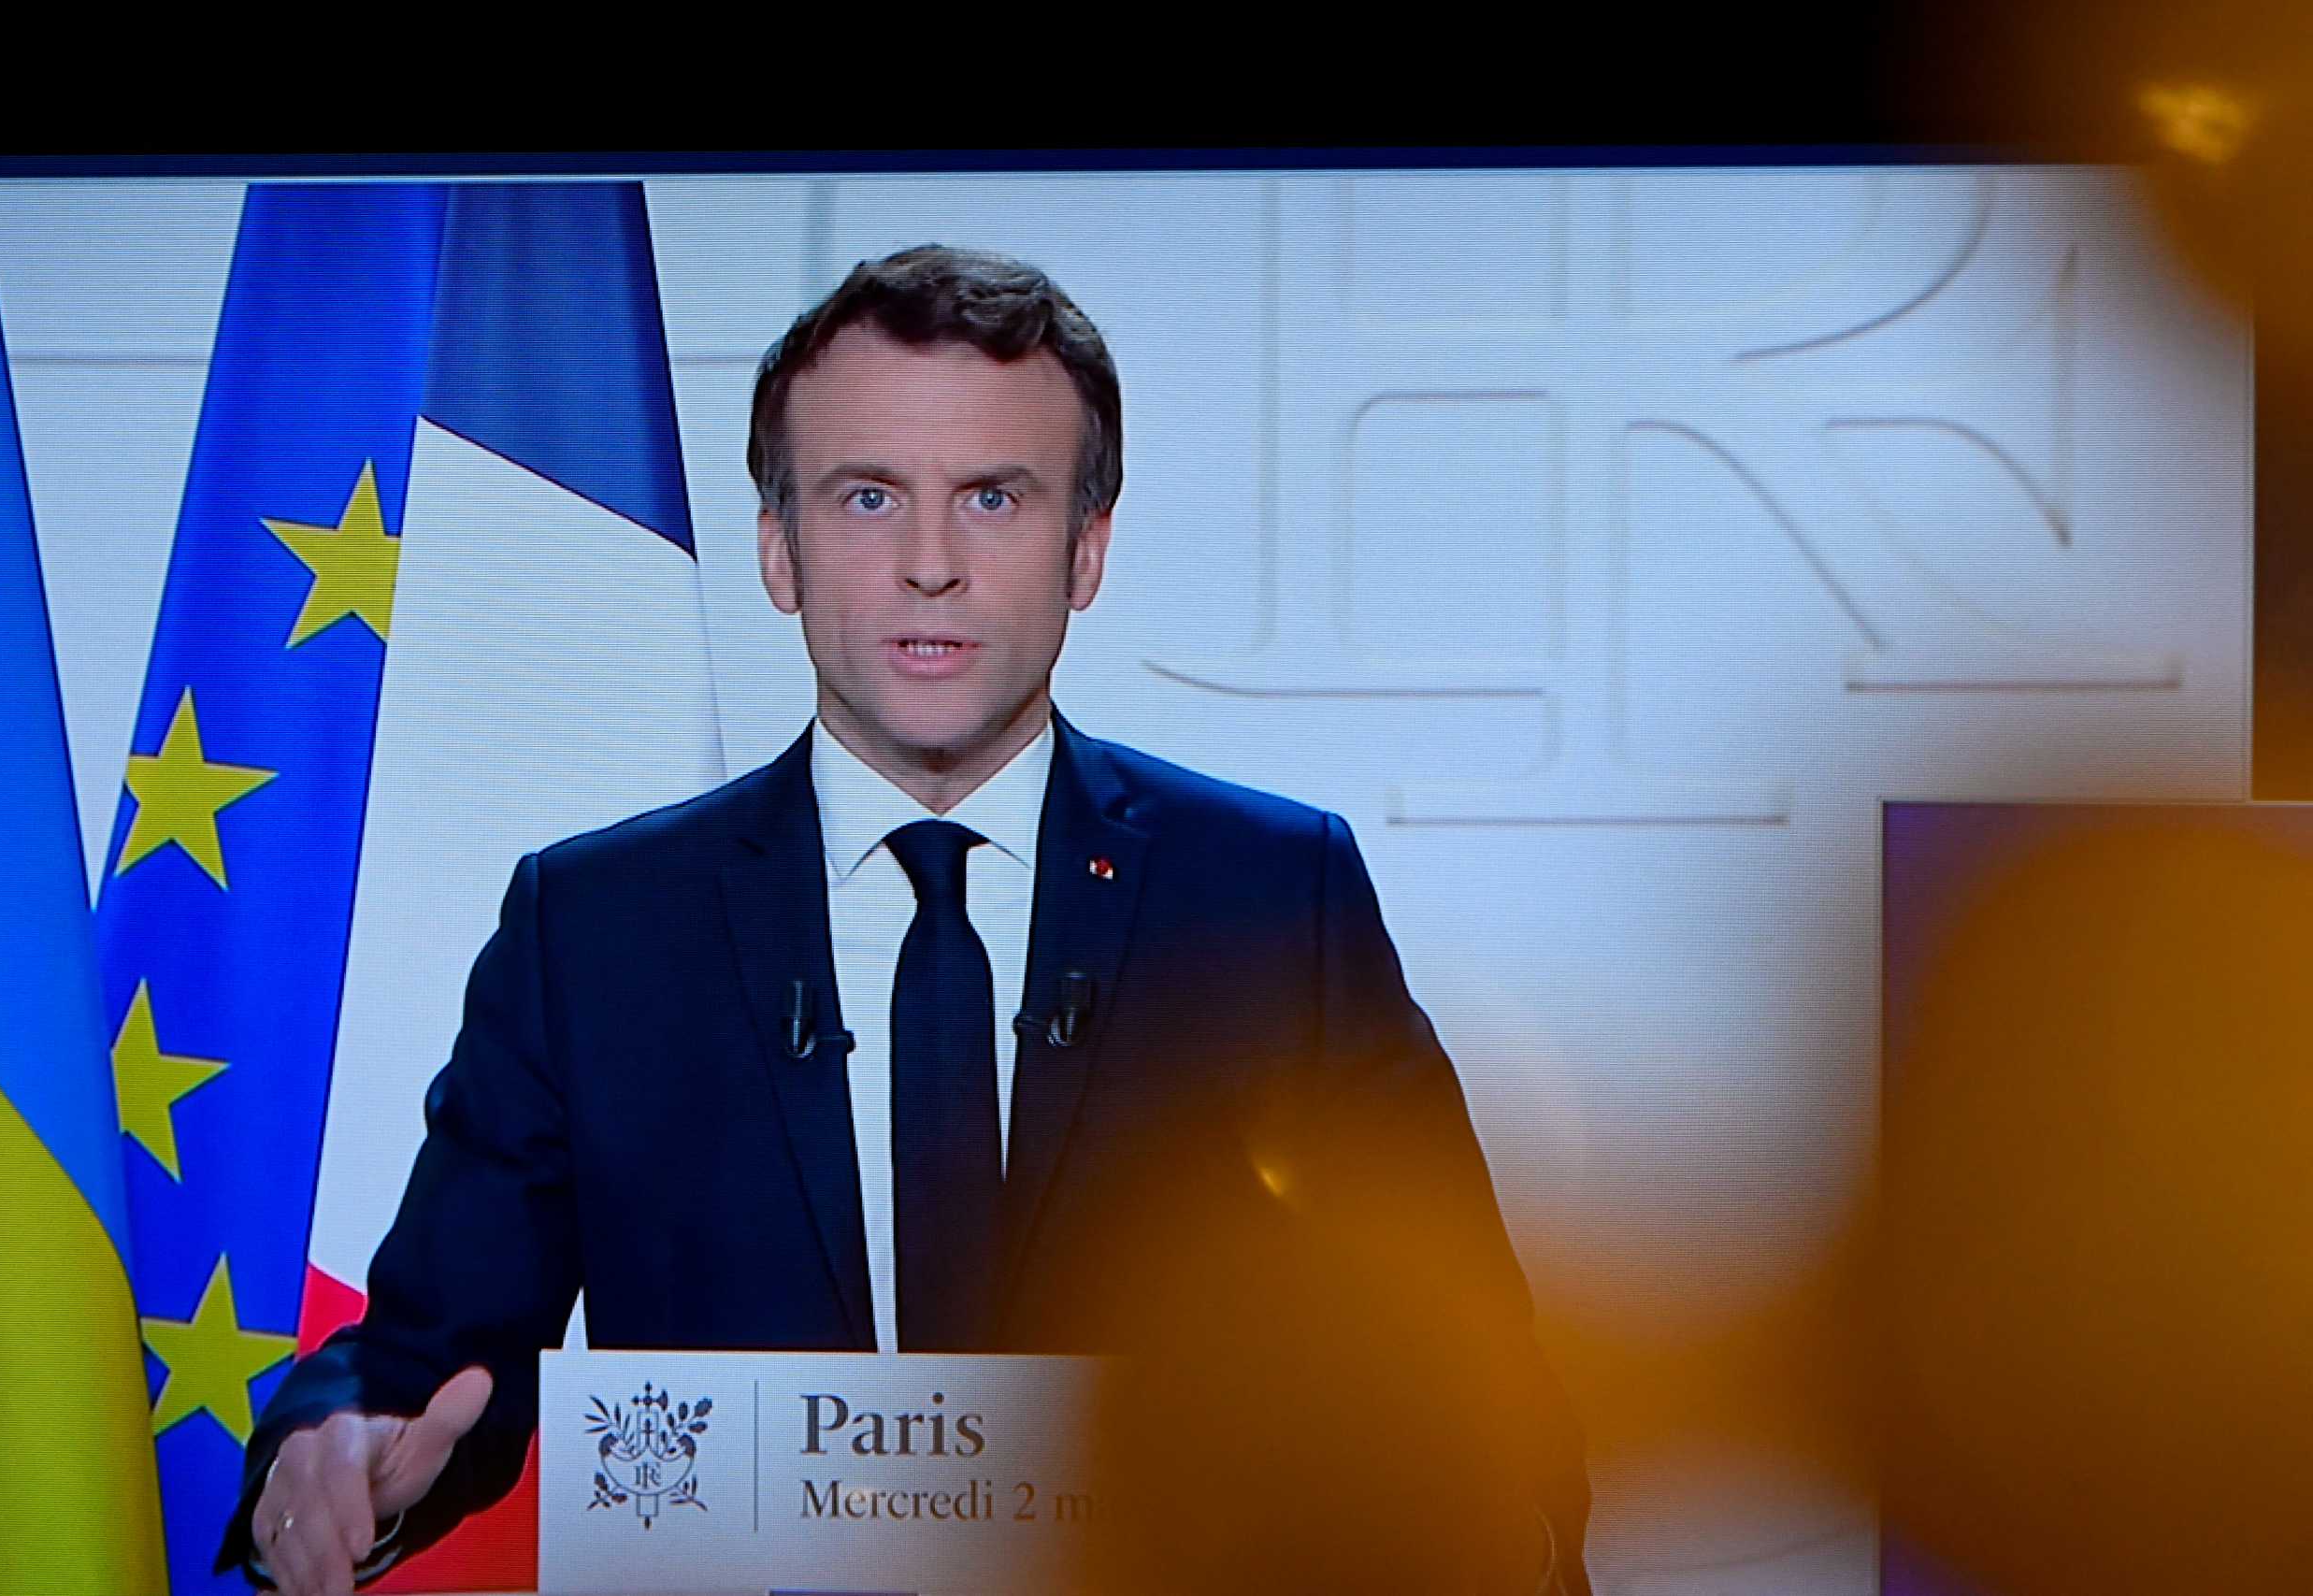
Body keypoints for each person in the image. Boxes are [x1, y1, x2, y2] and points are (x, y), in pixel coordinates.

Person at [218, 245, 1592, 1594]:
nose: (929, 564)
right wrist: (325, 1458)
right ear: (779, 548)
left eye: (993, 499)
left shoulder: (1271, 901)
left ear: (1087, 549)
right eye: (868, 498)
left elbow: (1472, 1375)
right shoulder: (593, 931)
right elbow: (413, 1371)